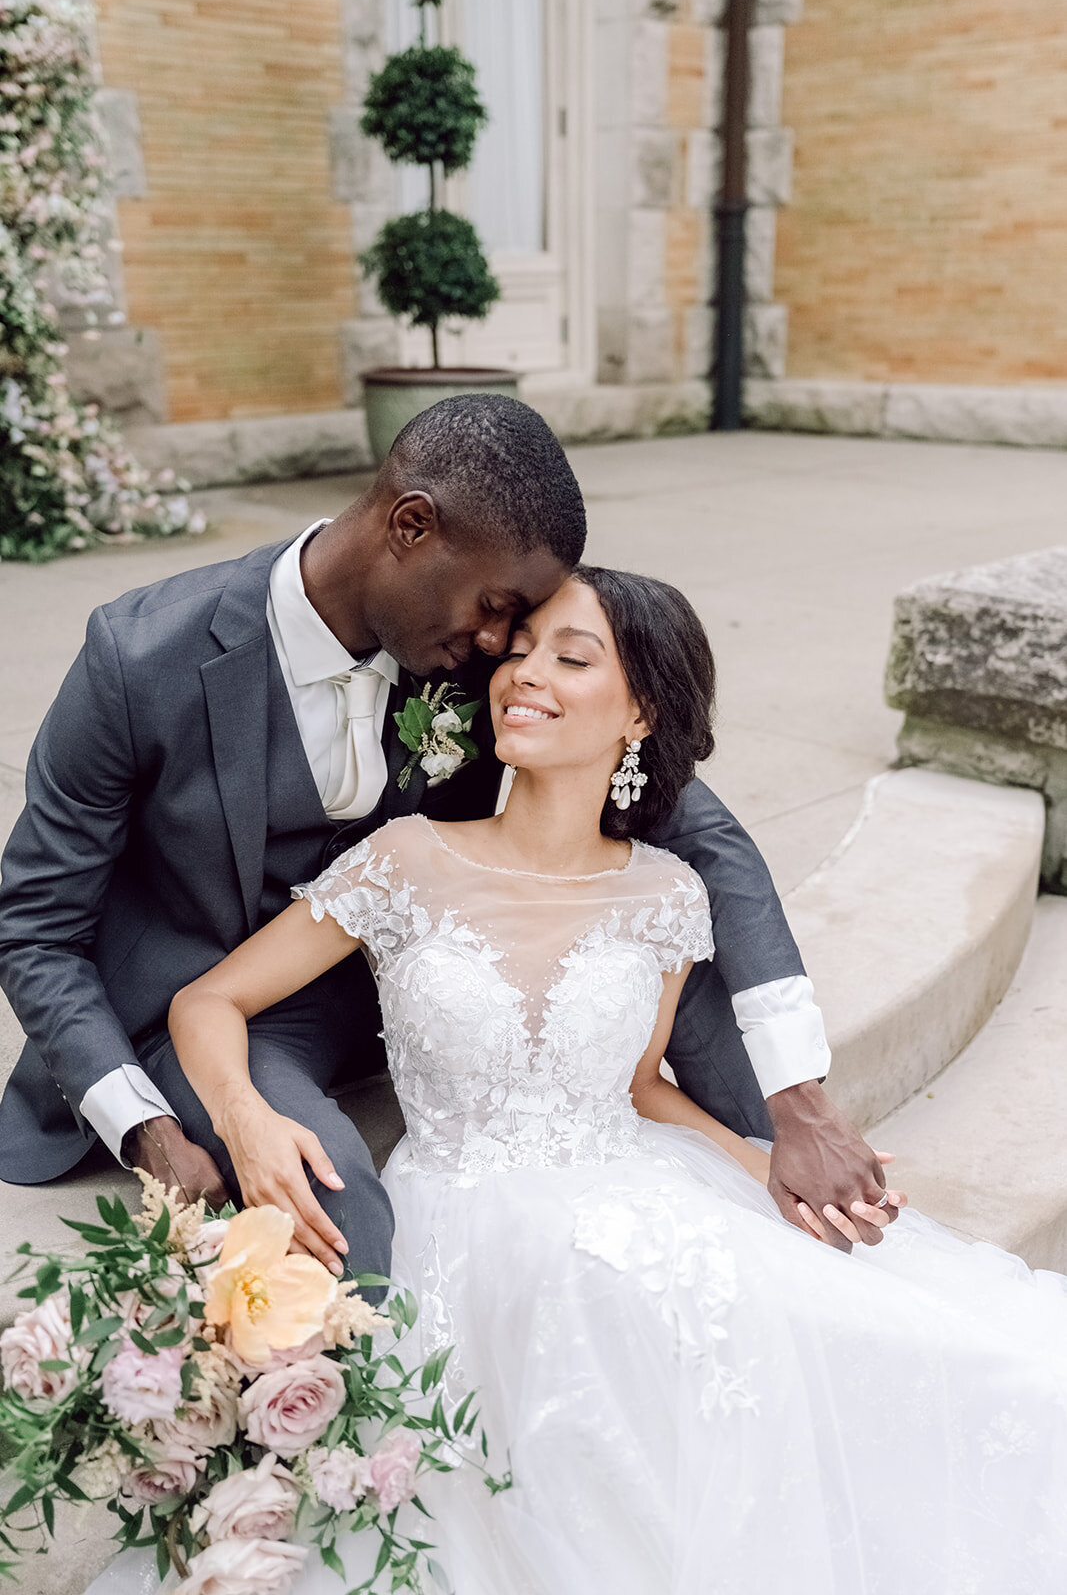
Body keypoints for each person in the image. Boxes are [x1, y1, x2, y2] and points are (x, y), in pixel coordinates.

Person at [138, 566, 1066, 1594]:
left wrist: (755, 1161)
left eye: (570, 658)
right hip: (469, 1220)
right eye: (520, 650)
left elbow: (632, 1083)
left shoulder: (666, 894)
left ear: (639, 712)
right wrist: (247, 1119)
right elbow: (204, 1003)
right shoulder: (403, 860)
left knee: (979, 1363)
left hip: (649, 1193)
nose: (523, 675)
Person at [0, 394, 886, 1287]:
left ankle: (818, 1225)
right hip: (206, 1001)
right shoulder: (140, 657)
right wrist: (148, 1126)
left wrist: (797, 1094)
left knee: (654, 946)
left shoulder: (463, 652)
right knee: (334, 1210)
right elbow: (34, 924)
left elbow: (702, 831)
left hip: (418, 973)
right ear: (412, 527)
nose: (505, 647)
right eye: (498, 608)